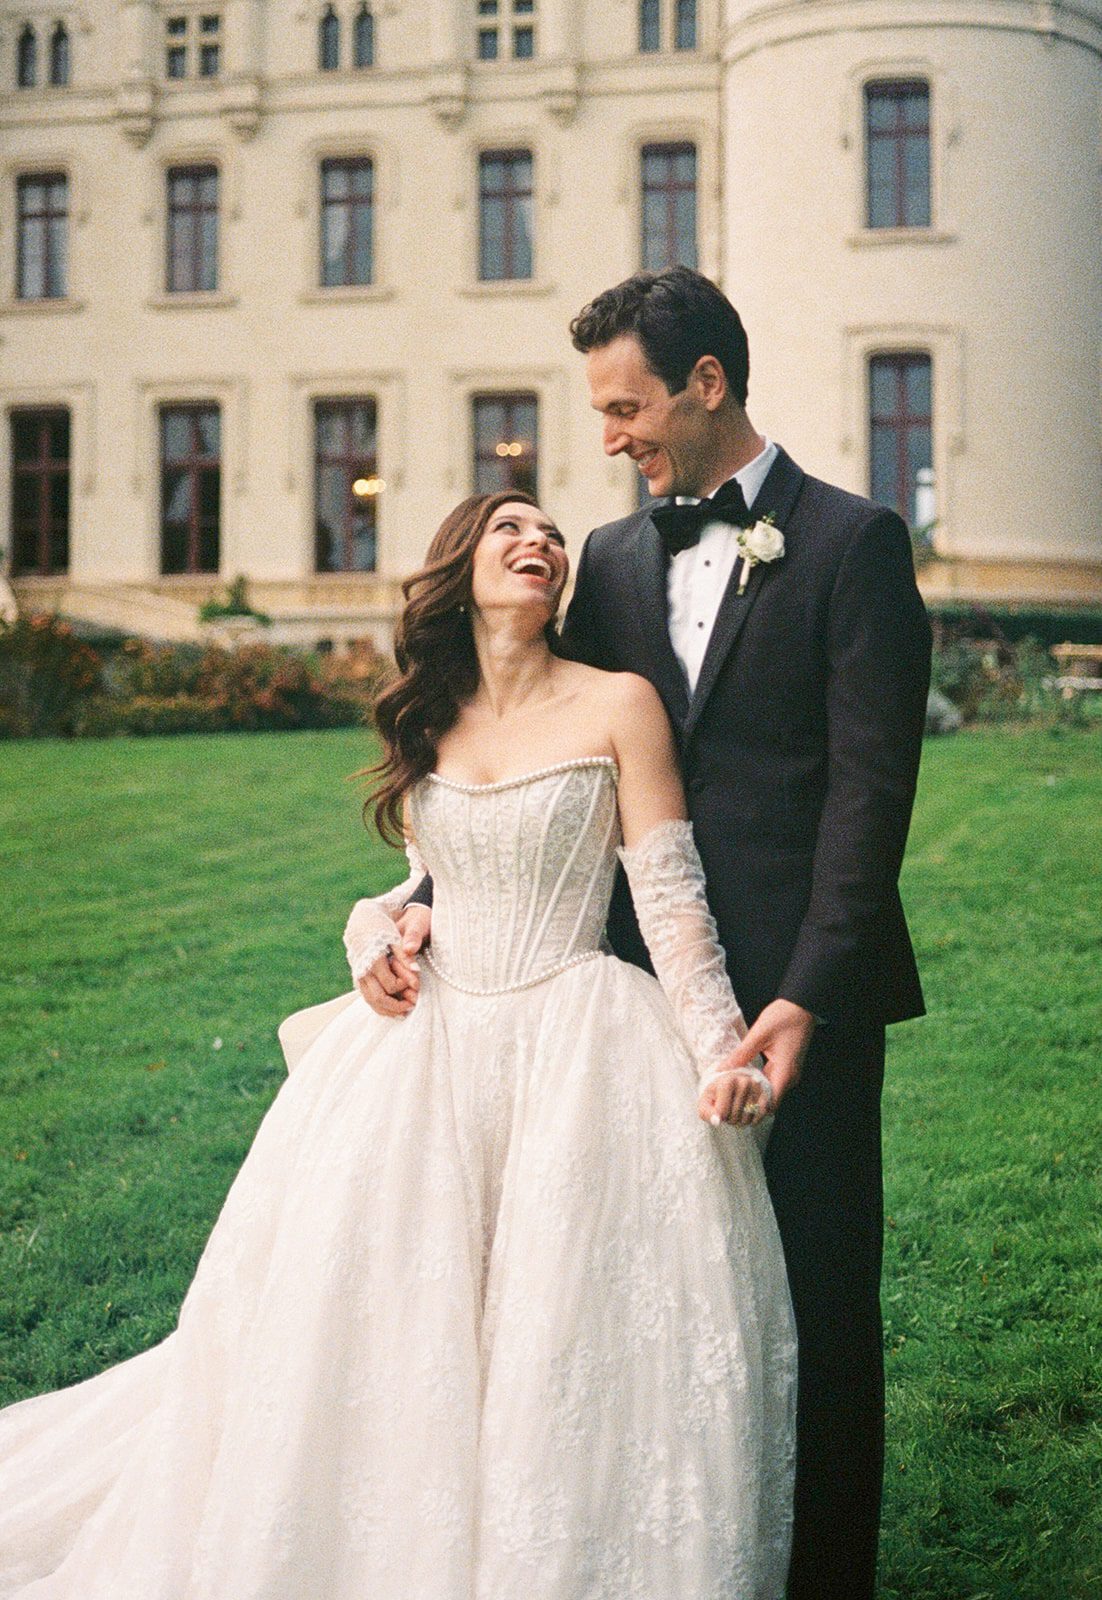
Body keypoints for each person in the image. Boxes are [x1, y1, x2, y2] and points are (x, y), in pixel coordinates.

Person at [0, 489, 797, 1599]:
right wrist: (377, 928)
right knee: (393, 1325)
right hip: (428, 1048)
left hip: (577, 1039)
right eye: (510, 528)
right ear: (457, 566)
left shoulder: (620, 704)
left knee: (553, 1327)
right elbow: (422, 883)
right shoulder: (428, 720)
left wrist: (723, 1053)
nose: (541, 545)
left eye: (553, 535)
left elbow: (670, 906)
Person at [367, 269, 932, 1600]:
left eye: (626, 408)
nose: (609, 438)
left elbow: (871, 799)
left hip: (808, 994)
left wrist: (803, 993)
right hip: (629, 1006)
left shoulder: (851, 546)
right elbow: (532, 767)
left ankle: (825, 1573)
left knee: (815, 1290)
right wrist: (419, 910)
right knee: (665, 1298)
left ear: (707, 385)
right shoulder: (613, 559)